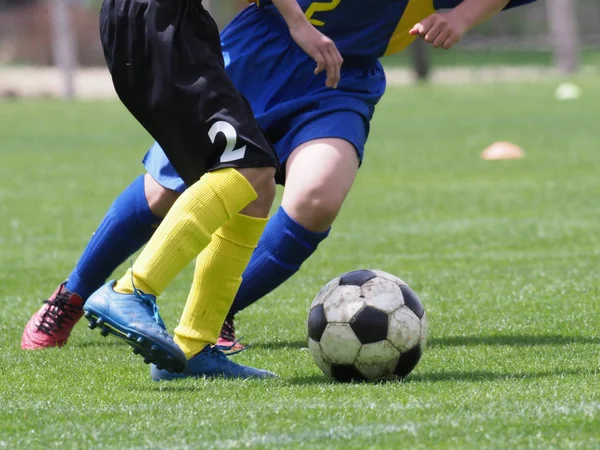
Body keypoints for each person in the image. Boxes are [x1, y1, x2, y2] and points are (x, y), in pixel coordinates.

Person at [23, 0, 536, 360]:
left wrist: (462, 16)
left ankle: (212, 318)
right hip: (264, 50)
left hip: (343, 74)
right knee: (168, 187)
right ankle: (72, 295)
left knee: (317, 196)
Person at [22, 0, 343, 380]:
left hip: (152, 22)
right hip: (163, 21)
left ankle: (194, 347)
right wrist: (298, 22)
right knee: (248, 166)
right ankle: (131, 291)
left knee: (256, 190)